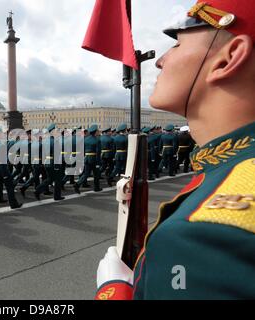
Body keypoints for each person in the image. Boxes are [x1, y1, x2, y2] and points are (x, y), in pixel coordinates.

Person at [96, 0, 255, 300]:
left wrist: (114, 289)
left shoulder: (202, 237)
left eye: (178, 44)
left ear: (228, 59)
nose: (160, 60)